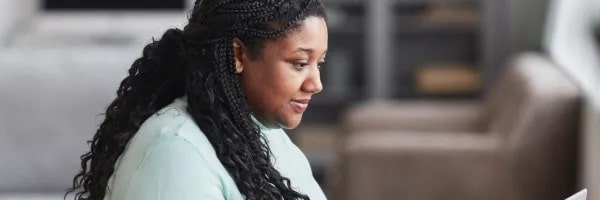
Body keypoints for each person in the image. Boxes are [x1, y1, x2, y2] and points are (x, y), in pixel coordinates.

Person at [66, 0, 328, 199]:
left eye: (320, 63)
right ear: (238, 54)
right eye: (300, 63)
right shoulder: (174, 152)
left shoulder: (267, 135)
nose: (316, 84)